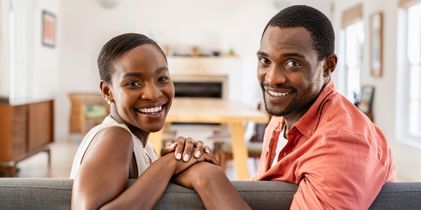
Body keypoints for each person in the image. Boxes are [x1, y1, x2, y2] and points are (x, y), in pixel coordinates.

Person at [70, 33, 251, 210]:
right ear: (107, 91)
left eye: (162, 79)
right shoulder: (116, 136)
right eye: (133, 83)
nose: (154, 94)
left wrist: (176, 164)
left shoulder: (143, 146)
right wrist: (169, 163)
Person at [255, 5, 395, 209]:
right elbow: (266, 192)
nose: (273, 78)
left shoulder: (343, 142)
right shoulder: (281, 119)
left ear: (328, 65)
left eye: (293, 63)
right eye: (265, 60)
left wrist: (208, 180)